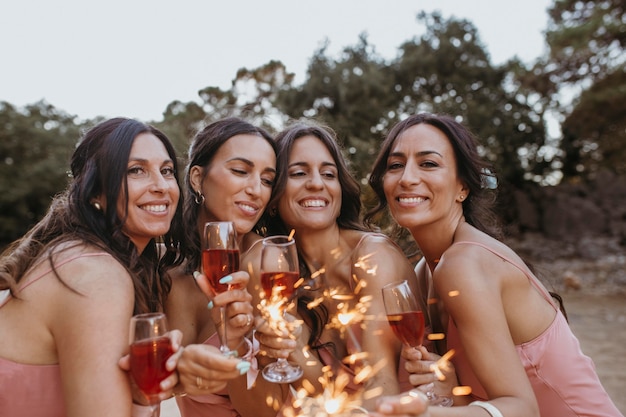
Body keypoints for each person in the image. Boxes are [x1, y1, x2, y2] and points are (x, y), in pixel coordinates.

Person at [366, 113, 623, 417]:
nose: (407, 177)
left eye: (429, 164)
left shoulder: (464, 263)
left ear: (463, 188)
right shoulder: (424, 271)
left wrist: (425, 413)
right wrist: (451, 389)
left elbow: (522, 409)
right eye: (395, 165)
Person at [0, 117, 185, 416]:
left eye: (166, 171)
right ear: (94, 191)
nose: (161, 186)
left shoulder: (96, 254)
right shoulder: (96, 275)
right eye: (136, 170)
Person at [247, 120, 417, 414]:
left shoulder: (371, 256)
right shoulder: (282, 277)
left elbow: (382, 386)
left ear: (340, 190)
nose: (317, 183)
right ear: (273, 200)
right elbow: (318, 391)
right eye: (299, 173)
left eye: (329, 174)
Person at [165, 117, 280, 417]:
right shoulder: (163, 269)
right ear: (197, 178)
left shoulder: (268, 267)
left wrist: (238, 347)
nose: (257, 190)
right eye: (241, 171)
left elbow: (266, 411)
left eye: (267, 180)